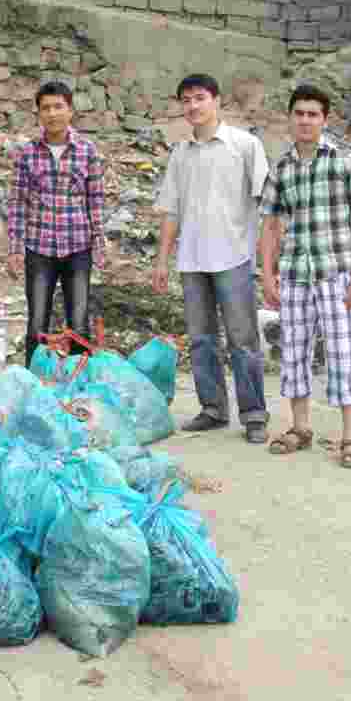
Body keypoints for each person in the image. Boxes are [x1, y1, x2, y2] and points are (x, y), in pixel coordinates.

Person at [259, 84, 351, 468]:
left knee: (344, 354)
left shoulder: (345, 161)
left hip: (336, 274)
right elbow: (271, 226)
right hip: (295, 275)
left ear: (324, 120)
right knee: (294, 353)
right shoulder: (281, 168)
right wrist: (268, 275)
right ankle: (300, 428)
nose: (305, 120)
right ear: (290, 118)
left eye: (313, 114)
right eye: (299, 113)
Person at [151, 73, 270, 443]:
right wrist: (162, 260)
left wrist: (266, 258)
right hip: (192, 259)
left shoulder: (245, 145)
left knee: (242, 339)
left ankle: (254, 414)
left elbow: (267, 204)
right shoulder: (181, 154)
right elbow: (171, 210)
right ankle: (214, 409)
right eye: (186, 100)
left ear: (217, 101)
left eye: (200, 98)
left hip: (234, 255)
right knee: (201, 339)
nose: (193, 106)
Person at [8, 80, 105, 366]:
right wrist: (15, 248)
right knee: (37, 323)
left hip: (78, 247)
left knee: (79, 324)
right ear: (38, 113)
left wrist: (99, 242)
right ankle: (34, 380)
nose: (52, 113)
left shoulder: (87, 150)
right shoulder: (27, 153)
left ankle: (78, 383)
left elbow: (95, 200)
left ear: (70, 110)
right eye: (46, 108)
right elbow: (18, 202)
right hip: (39, 249)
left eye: (58, 107)